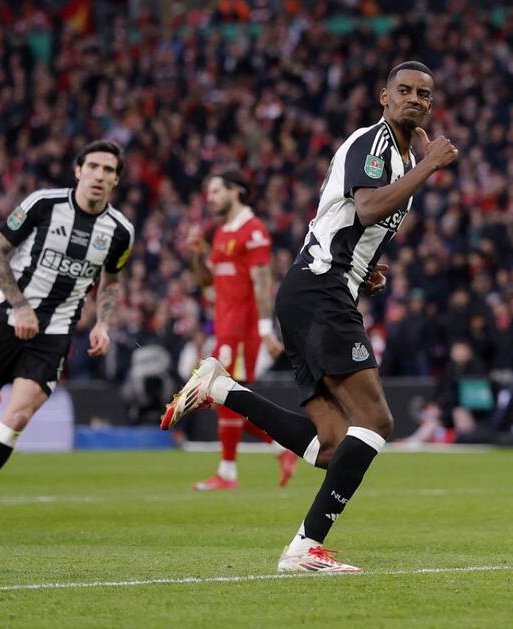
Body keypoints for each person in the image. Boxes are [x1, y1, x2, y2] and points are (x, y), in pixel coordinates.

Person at [163, 61, 458, 572]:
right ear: (384, 97)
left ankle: (221, 389)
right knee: (377, 421)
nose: (415, 99)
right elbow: (367, 208)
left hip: (316, 290)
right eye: (405, 90)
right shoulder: (376, 143)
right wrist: (430, 165)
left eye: (424, 94)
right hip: (321, 291)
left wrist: (364, 267)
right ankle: (304, 546)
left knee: (333, 447)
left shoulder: (401, 156)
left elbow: (347, 221)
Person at [0, 140, 135, 531]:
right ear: (78, 171)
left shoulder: (121, 231)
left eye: (108, 170)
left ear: (116, 180)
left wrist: (103, 323)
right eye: (93, 166)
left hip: (55, 332)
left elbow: (110, 281)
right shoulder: (43, 204)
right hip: (9, 318)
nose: (99, 175)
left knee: (18, 416)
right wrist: (21, 306)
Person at [173, 170, 297, 490]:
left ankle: (229, 472)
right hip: (225, 327)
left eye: (216, 191)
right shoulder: (222, 232)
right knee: (224, 400)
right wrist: (197, 255)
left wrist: (266, 330)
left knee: (222, 394)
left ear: (236, 191)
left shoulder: (253, 231)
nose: (210, 198)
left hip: (243, 330)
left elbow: (262, 284)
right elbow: (207, 281)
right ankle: (280, 447)